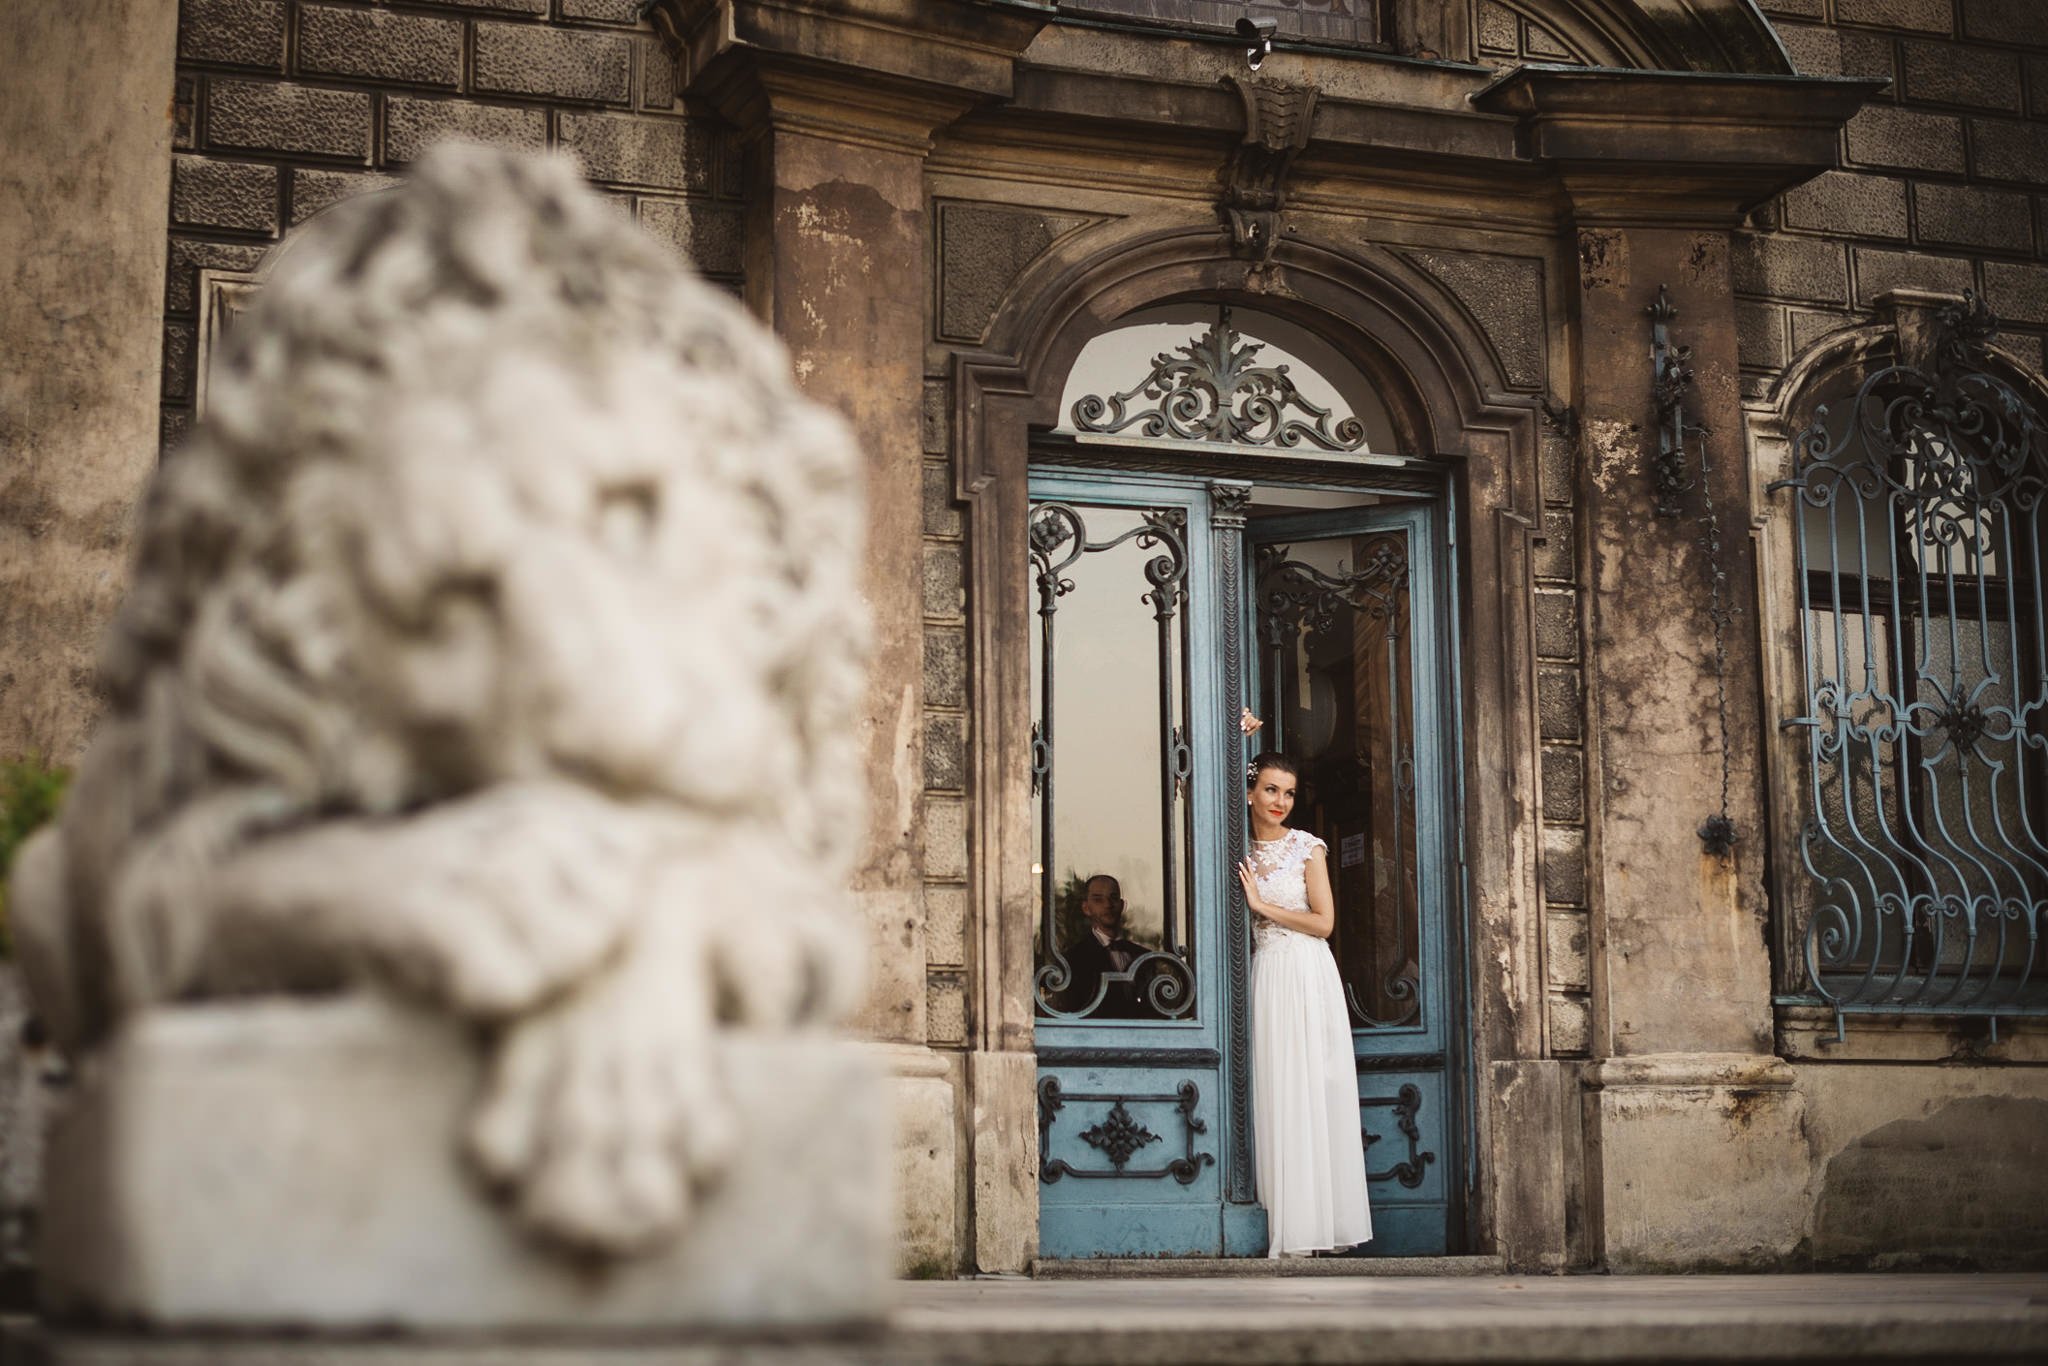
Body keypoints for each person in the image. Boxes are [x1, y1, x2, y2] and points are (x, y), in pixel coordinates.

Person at [1234, 734, 1373, 1258]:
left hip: (1307, 972)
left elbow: (1325, 922)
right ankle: (1273, 1218)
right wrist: (1239, 729)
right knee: (1273, 1090)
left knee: (1311, 1089)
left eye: (1289, 793)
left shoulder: (1306, 846)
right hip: (1265, 973)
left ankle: (1314, 1226)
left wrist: (1262, 906)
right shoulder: (1235, 846)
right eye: (1271, 789)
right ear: (1249, 791)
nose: (1280, 802)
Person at [1055, 874, 1152, 1018]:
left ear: (1122, 905)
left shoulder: (1144, 956)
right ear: (1086, 908)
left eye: (1113, 898)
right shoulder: (1073, 959)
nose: (1108, 904)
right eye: (1098, 899)